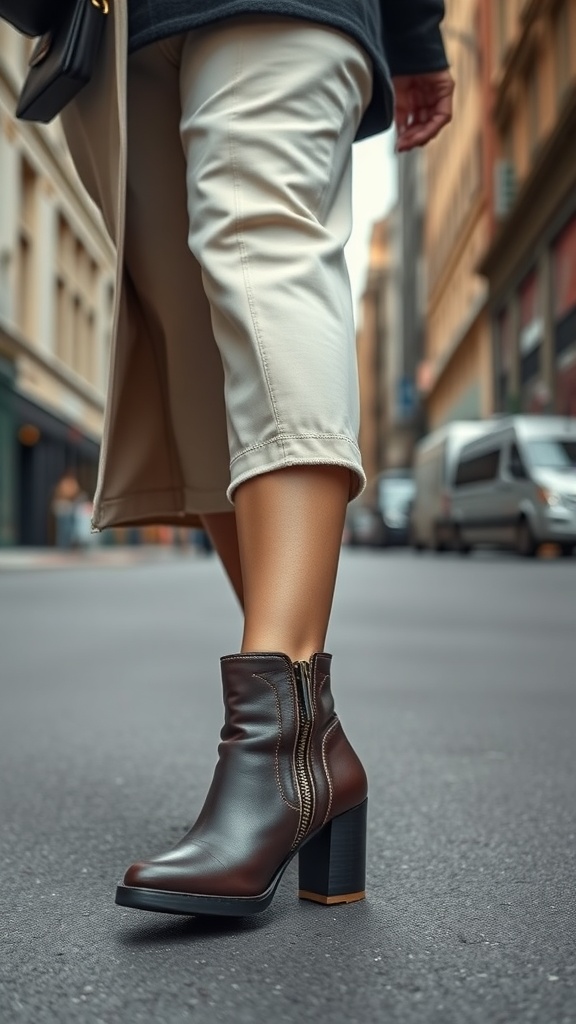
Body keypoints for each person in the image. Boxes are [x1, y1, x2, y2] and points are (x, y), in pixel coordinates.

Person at [60, 1, 454, 916]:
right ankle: (314, 751)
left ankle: (271, 750)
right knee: (192, 338)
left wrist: (418, 32)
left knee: (258, 242)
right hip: (119, 30)